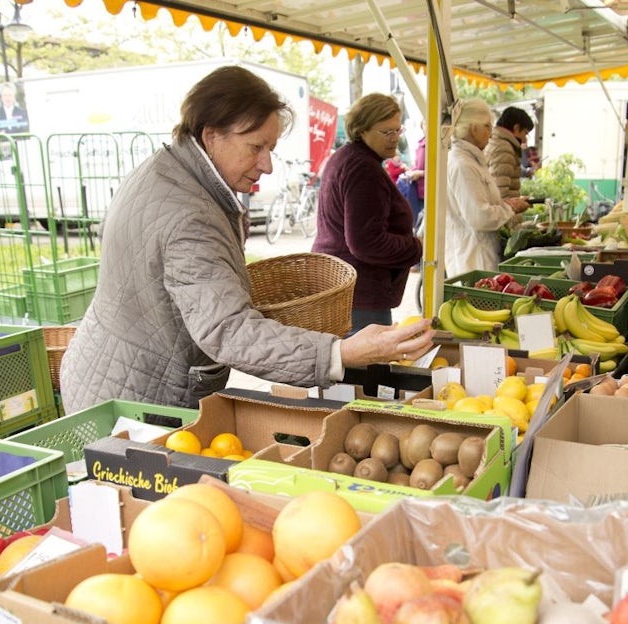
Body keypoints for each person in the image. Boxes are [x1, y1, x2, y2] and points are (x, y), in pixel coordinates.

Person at [59, 67, 432, 411]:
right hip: (136, 397)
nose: (267, 164)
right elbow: (229, 330)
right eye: (256, 147)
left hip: (113, 374)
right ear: (211, 135)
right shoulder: (189, 215)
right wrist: (341, 353)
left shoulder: (166, 169)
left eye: (270, 148)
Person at [312, 93, 424, 334]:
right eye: (386, 132)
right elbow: (366, 242)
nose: (394, 138)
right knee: (367, 369)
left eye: (398, 130)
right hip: (359, 293)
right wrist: (415, 247)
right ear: (362, 130)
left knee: (348, 367)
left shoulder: (346, 157)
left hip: (342, 286)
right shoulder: (363, 169)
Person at [444, 98, 531, 277]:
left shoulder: (472, 160)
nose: (491, 134)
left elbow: (480, 203)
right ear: (473, 128)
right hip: (473, 259)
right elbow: (480, 217)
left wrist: (504, 203)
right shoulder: (462, 164)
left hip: (480, 254)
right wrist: (510, 208)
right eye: (488, 127)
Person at [484, 106, 534, 200]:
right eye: (525, 133)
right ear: (516, 128)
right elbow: (500, 194)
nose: (525, 139)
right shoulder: (504, 149)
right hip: (503, 213)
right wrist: (517, 205)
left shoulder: (496, 142)